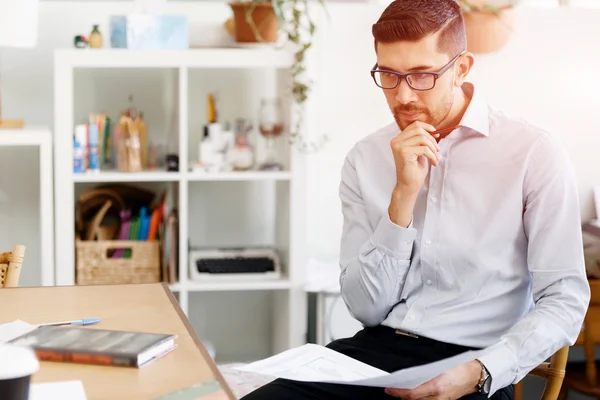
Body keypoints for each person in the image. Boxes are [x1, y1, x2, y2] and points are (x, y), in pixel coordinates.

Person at [241, 0, 591, 399]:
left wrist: (481, 370)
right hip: (371, 353)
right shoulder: (364, 157)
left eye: (422, 75)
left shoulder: (532, 153)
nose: (402, 95)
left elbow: (564, 299)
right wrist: (403, 196)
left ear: (461, 69)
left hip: (472, 366)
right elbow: (365, 308)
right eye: (388, 74)